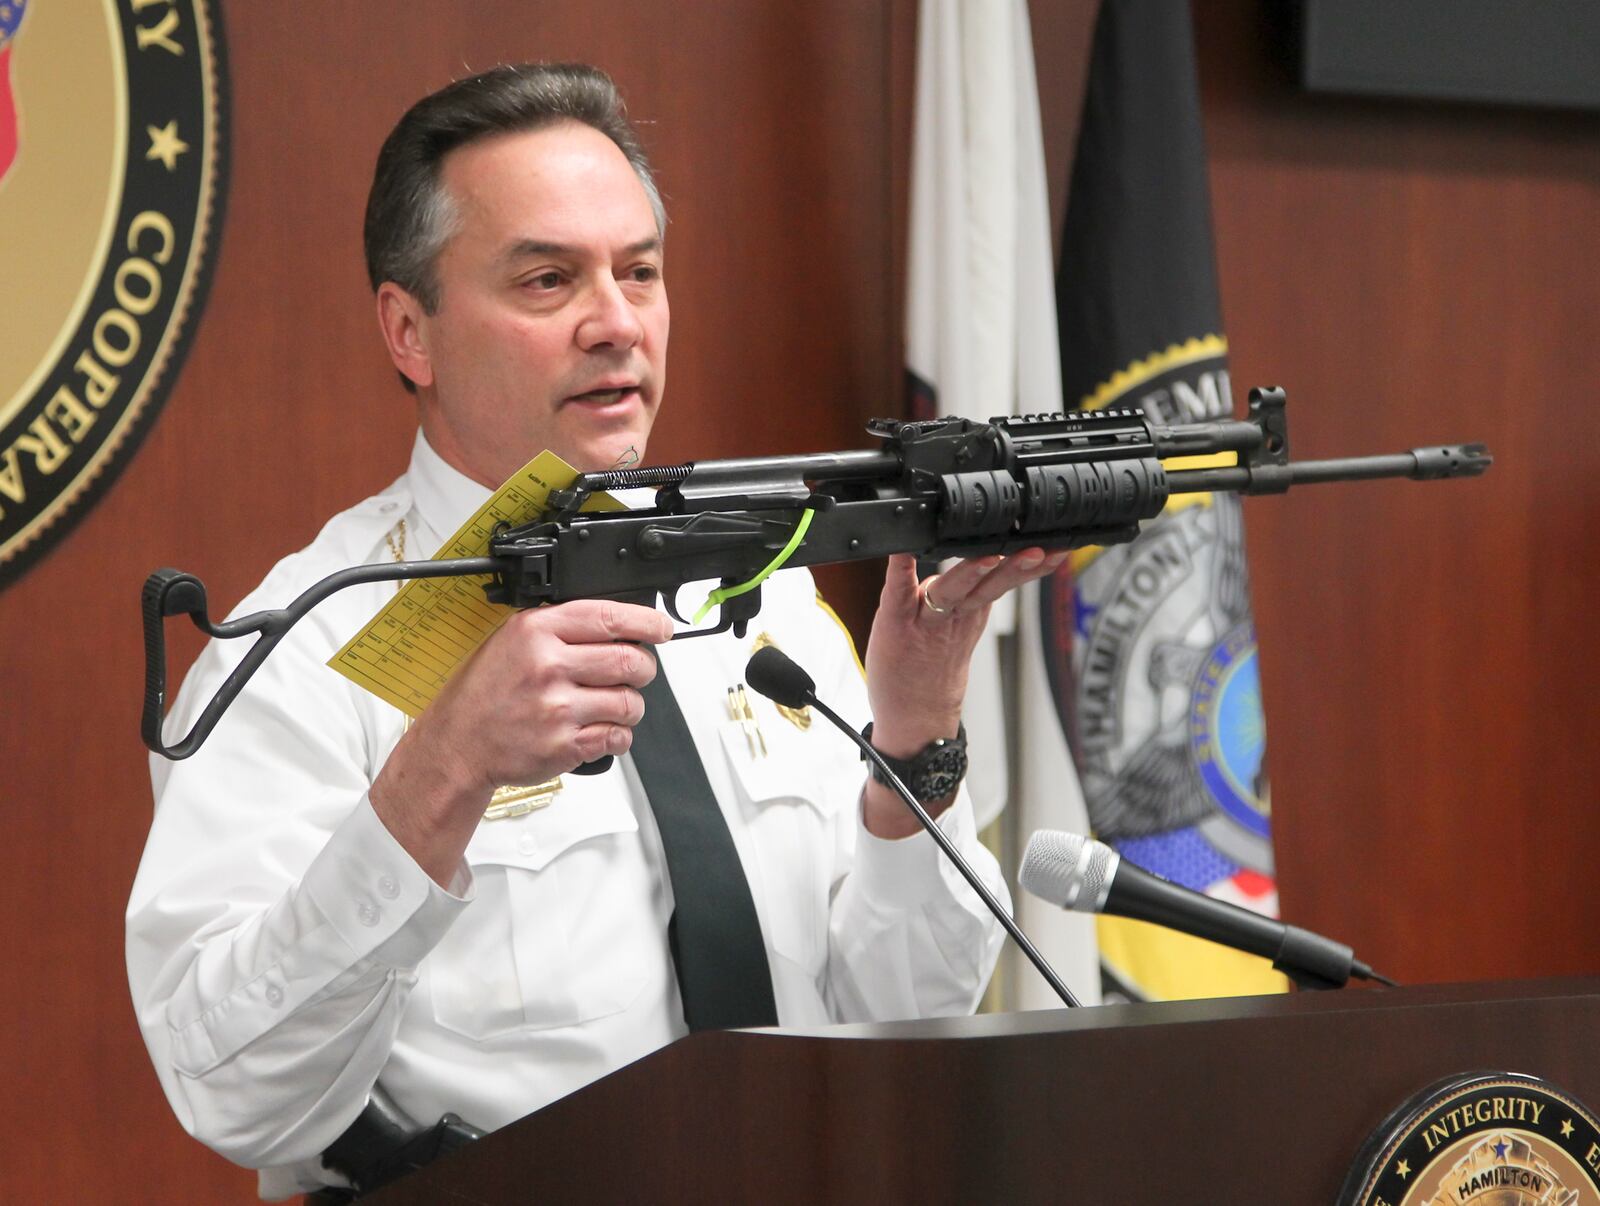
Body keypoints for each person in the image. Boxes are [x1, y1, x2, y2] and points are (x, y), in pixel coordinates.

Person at [126, 63, 1069, 1199]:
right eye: (545, 280)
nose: (616, 322)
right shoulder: (301, 650)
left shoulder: (759, 598)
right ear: (409, 332)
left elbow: (902, 1018)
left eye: (639, 272)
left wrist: (915, 747)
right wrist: (444, 768)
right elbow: (235, 1095)